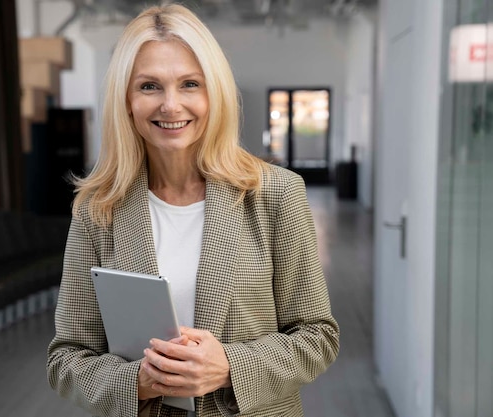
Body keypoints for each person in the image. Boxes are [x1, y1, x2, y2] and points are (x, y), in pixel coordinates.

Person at [47, 3, 339, 417]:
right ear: (126, 100)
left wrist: (230, 368)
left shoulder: (276, 194)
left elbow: (317, 336)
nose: (170, 105)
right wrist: (136, 383)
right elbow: (67, 358)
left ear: (213, 93)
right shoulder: (99, 209)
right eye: (149, 86)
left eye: (189, 84)